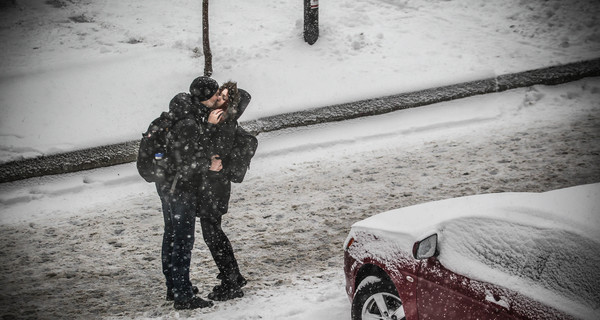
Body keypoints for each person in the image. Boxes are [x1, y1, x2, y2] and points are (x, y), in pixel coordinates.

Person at [156, 76, 221, 310]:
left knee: (171, 235)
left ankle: (174, 287)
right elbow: (187, 162)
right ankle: (183, 295)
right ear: (205, 97)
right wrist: (209, 165)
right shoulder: (189, 122)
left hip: (165, 184)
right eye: (214, 94)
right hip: (179, 188)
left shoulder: (183, 112)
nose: (217, 98)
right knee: (182, 240)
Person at [198, 81, 250, 301]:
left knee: (213, 234)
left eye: (223, 96)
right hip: (214, 185)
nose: (218, 97)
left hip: (215, 186)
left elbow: (213, 152)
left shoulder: (224, 123)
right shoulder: (224, 120)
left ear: (229, 104)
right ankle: (233, 275)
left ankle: (231, 281)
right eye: (219, 93)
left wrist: (209, 125)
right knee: (214, 232)